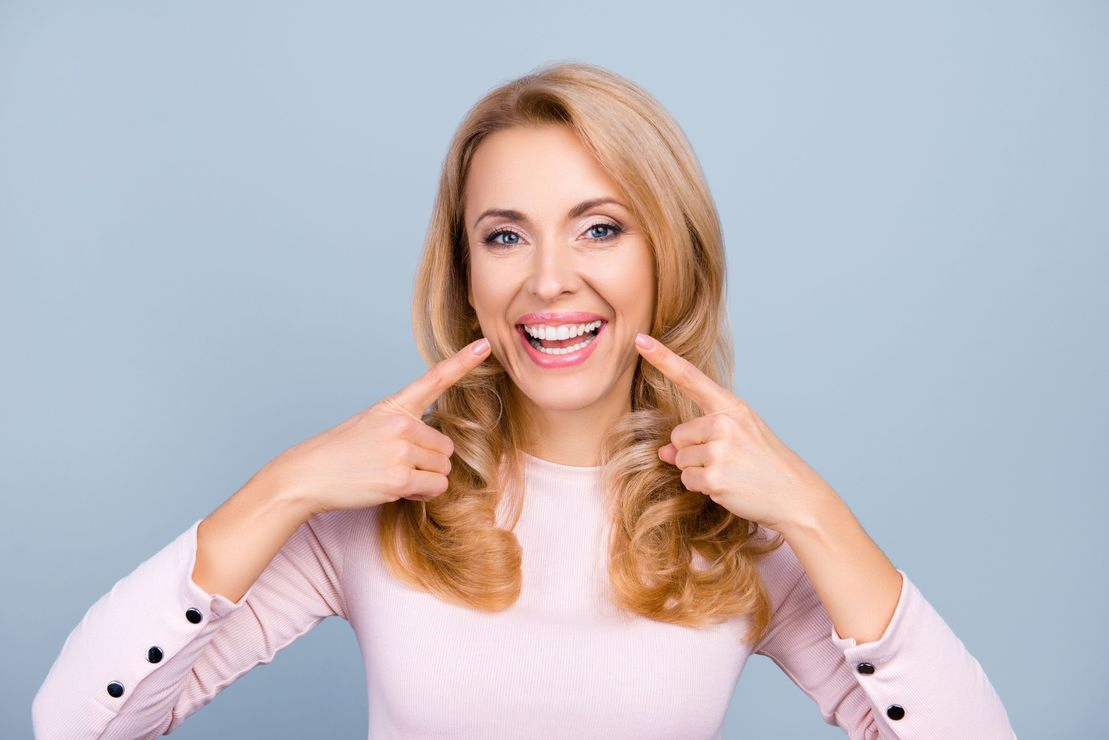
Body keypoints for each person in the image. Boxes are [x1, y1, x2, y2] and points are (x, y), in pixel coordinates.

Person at [32, 61, 1016, 739]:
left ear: (665, 255)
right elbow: (78, 720)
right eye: (504, 235)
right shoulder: (380, 515)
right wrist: (280, 488)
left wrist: (811, 511)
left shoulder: (736, 537)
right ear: (465, 276)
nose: (549, 279)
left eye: (597, 229)